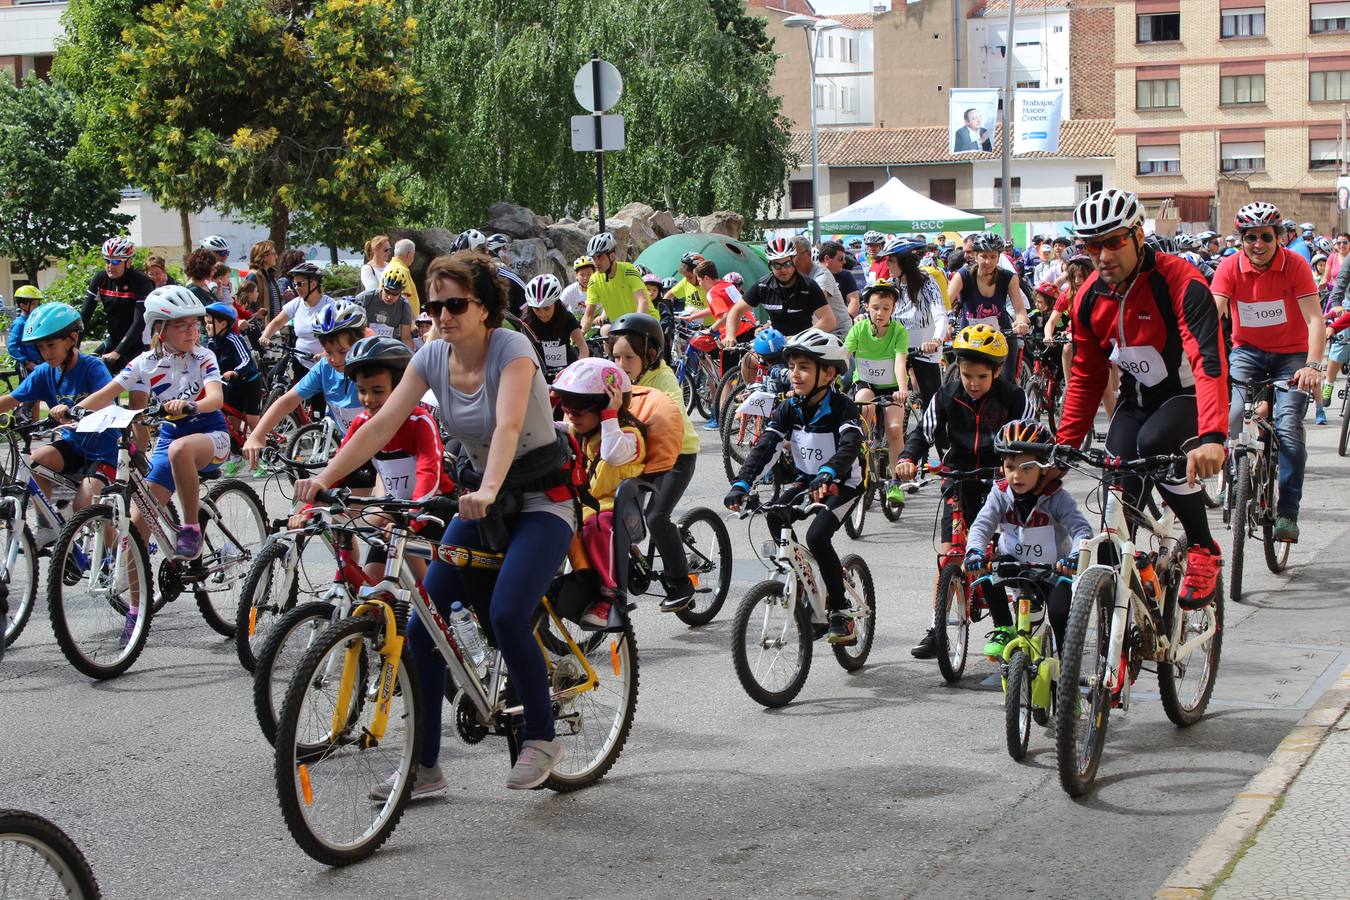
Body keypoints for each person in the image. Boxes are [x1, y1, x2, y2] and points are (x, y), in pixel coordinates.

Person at [293, 250, 577, 793]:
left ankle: (542, 735)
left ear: (486, 307)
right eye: (437, 304)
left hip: (542, 499)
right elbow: (377, 428)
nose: (444, 315)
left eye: (456, 304)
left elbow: (510, 426)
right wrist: (325, 479)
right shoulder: (429, 357)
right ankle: (424, 768)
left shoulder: (512, 349)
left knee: (507, 611)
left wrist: (490, 487)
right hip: (480, 498)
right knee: (424, 628)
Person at [1057, 189, 1228, 610]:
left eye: (1113, 241)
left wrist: (1213, 436)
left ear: (1138, 235)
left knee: (1155, 444)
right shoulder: (1089, 298)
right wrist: (1062, 447)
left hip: (1186, 400)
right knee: (1116, 503)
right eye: (1091, 245)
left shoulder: (1182, 283)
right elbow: (1086, 375)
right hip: (1137, 404)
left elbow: (1208, 363)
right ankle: (1141, 592)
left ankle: (1204, 549)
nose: (1102, 255)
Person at [60, 285, 230, 603]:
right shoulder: (145, 363)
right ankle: (137, 613)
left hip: (210, 436)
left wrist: (192, 405)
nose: (193, 330)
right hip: (170, 440)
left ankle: (191, 529)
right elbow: (108, 392)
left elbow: (216, 398)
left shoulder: (203, 356)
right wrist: (75, 409)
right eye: (182, 324)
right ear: (158, 328)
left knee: (181, 450)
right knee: (137, 531)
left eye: (195, 323)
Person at [723, 328, 864, 643]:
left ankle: (839, 610)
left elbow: (849, 446)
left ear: (828, 373)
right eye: (792, 366)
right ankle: (804, 580)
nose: (794, 374)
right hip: (806, 479)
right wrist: (742, 483)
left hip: (843, 482)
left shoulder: (842, 407)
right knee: (775, 514)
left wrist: (828, 472)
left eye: (804, 367)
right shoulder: (789, 407)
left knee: (817, 535)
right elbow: (765, 447)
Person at [896, 325, 1027, 659]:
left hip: (1001, 483)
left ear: (997, 371)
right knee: (949, 556)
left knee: (996, 555)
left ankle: (1007, 624)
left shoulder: (1013, 398)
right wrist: (908, 458)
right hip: (958, 477)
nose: (972, 383)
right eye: (967, 375)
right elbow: (923, 433)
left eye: (981, 376)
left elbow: (1027, 442)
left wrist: (1014, 469)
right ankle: (938, 627)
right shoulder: (946, 394)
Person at [1211, 201, 1324, 542]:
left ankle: (1288, 510)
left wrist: (1313, 366)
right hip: (1247, 353)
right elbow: (1211, 315)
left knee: (1288, 428)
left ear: (1278, 238)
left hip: (1292, 356)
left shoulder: (1297, 266)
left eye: (1265, 236)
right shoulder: (1229, 267)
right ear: (1241, 239)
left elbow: (1315, 320)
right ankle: (1235, 474)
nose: (1257, 244)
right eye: (1249, 237)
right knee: (1231, 416)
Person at [327, 337, 454, 584]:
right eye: (362, 391)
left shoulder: (419, 422)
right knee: (372, 585)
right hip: (394, 513)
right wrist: (312, 503)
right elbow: (339, 466)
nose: (367, 399)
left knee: (429, 594)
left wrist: (413, 516)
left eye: (377, 391)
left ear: (400, 391)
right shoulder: (361, 423)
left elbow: (428, 472)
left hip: (430, 513)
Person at [964, 419, 1094, 657]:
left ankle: (1068, 677)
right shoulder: (1000, 493)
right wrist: (974, 550)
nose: (1016, 475)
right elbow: (982, 524)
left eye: (1027, 468)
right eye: (1010, 466)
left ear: (1044, 468)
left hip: (1054, 571)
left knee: (1059, 615)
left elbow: (1081, 529)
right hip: (1014, 566)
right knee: (983, 570)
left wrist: (1075, 557)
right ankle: (1003, 627)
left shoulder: (1056, 497)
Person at [0, 303, 116, 548]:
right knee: (34, 461)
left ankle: (115, 554)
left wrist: (75, 410)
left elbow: (107, 398)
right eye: (41, 347)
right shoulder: (44, 372)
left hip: (104, 451)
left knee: (83, 506)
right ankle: (48, 526)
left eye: (51, 345)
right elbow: (11, 400)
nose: (46, 353)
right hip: (74, 447)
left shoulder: (92, 366)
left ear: (72, 339)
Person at [605, 313, 700, 612]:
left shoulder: (663, 378)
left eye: (628, 358)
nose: (621, 365)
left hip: (676, 455)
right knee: (609, 510)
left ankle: (681, 583)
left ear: (649, 353)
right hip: (637, 456)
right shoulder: (613, 377)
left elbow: (670, 412)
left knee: (656, 516)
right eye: (615, 357)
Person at [552, 358, 647, 627]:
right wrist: (548, 402)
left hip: (618, 510)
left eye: (578, 410)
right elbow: (546, 430)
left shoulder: (628, 435)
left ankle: (610, 595)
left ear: (606, 406)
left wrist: (610, 416)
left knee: (596, 525)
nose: (570, 415)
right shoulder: (579, 430)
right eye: (566, 408)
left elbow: (612, 455)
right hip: (584, 505)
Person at [242, 301, 372, 478]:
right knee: (330, 501)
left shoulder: (374, 368)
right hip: (353, 450)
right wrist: (257, 435)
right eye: (328, 351)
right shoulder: (324, 368)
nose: (334, 359)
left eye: (342, 351)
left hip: (387, 450)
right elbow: (287, 401)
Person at [845, 281, 909, 505]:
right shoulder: (859, 329)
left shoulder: (899, 331)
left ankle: (895, 481)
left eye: (886, 308)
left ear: (893, 309)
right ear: (866, 307)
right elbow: (844, 356)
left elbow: (900, 363)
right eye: (875, 307)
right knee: (863, 407)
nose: (880, 313)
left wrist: (902, 390)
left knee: (893, 429)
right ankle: (863, 454)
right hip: (865, 383)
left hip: (892, 388)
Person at [946, 232, 1031, 384]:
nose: (988, 261)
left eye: (993, 257)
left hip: (1001, 335)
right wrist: (948, 322)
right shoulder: (963, 275)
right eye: (984, 256)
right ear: (976, 255)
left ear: (998, 257)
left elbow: (1019, 310)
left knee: (1006, 382)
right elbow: (944, 304)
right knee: (965, 383)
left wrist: (1021, 323)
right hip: (969, 338)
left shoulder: (1008, 277)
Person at [881, 238, 948, 413]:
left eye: (891, 260)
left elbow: (940, 313)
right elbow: (876, 310)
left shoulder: (927, 283)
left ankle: (939, 438)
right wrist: (863, 319)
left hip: (925, 350)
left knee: (933, 408)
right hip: (898, 349)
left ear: (906, 262)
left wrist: (936, 340)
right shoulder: (890, 284)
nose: (887, 264)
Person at [203, 302, 261, 472]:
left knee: (251, 419)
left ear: (223, 323)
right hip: (231, 386)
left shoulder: (233, 338)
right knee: (231, 422)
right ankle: (236, 457)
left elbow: (246, 360)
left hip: (248, 382)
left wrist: (234, 372)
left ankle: (263, 457)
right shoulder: (211, 343)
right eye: (205, 322)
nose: (206, 326)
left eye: (210, 322)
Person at [83, 236, 154, 372]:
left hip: (138, 343)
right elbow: (85, 315)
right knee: (91, 372)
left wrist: (117, 352)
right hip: (113, 340)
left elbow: (139, 322)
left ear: (128, 262)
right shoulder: (100, 278)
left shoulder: (141, 282)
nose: (110, 266)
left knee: (137, 391)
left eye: (115, 261)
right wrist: (74, 346)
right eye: (107, 261)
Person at [260, 261, 335, 376]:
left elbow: (339, 338)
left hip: (323, 362)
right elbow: (277, 322)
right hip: (299, 358)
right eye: (294, 284)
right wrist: (265, 336)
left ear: (313, 284)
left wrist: (325, 354)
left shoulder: (330, 306)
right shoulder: (297, 303)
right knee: (272, 377)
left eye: (300, 284)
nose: (296, 288)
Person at [520, 274, 587, 382]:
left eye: (546, 308)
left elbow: (583, 347)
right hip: (540, 375)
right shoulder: (527, 323)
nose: (542, 314)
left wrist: (575, 370)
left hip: (568, 371)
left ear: (555, 303)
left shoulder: (567, 318)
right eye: (537, 309)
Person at [580, 232, 649, 333]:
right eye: (594, 258)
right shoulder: (594, 280)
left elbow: (643, 301)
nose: (596, 262)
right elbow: (589, 316)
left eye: (600, 257)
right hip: (620, 327)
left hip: (645, 322)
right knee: (605, 330)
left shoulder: (628, 270)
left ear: (612, 256)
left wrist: (635, 328)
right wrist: (579, 337)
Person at [795, 236, 850, 343]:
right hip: (819, 332)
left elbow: (813, 305)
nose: (792, 259)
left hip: (837, 333)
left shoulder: (822, 275)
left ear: (808, 254)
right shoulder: (796, 276)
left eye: (795, 255)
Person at [360, 269, 416, 350]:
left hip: (389, 347)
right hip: (366, 344)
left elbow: (406, 338)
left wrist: (410, 359)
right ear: (382, 286)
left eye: (395, 294)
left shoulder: (404, 305)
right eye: (387, 291)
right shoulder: (366, 297)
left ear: (401, 292)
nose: (390, 297)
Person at [820, 240, 862, 318]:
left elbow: (854, 301)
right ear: (827, 259)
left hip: (842, 325)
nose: (844, 262)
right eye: (840, 258)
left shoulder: (846, 275)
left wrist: (848, 320)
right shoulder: (814, 275)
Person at [668, 253, 713, 326]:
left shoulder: (709, 287)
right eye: (685, 276)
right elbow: (670, 294)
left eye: (689, 277)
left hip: (708, 326)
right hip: (689, 323)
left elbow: (715, 308)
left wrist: (696, 314)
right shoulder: (686, 280)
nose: (687, 279)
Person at [8, 285, 44, 376]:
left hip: (38, 363)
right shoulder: (20, 323)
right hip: (26, 366)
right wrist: (26, 362)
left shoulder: (33, 321)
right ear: (23, 306)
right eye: (33, 304)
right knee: (29, 388)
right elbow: (12, 347)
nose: (37, 306)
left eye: (38, 303)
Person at [243, 240, 283, 320]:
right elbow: (246, 302)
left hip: (273, 326)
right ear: (264, 257)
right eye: (274, 254)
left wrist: (282, 297)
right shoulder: (253, 276)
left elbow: (269, 299)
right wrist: (253, 317)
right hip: (261, 327)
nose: (276, 257)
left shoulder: (270, 276)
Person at [385, 238, 421, 315]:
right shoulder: (400, 271)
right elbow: (402, 300)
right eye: (413, 255)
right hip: (403, 324)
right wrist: (412, 323)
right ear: (409, 254)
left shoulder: (392, 267)